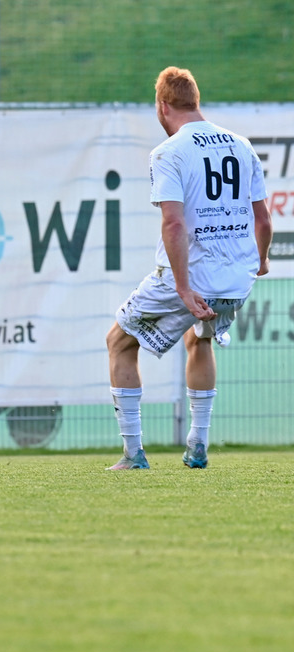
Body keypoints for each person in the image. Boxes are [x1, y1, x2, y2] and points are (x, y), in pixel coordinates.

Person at [105, 66, 272, 471]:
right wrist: (262, 261)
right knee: (199, 340)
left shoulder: (169, 152)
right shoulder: (241, 145)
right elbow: (263, 220)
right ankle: (197, 447)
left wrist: (182, 287)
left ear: (163, 106)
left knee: (119, 342)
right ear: (195, 101)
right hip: (236, 280)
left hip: (190, 277)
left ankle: (133, 454)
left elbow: (174, 224)